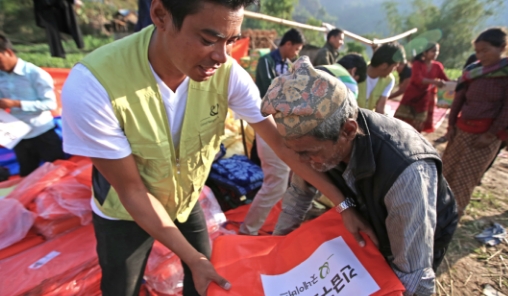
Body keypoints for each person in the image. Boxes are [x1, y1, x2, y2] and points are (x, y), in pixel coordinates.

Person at [61, 1, 375, 295]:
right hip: (124, 210)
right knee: (122, 285)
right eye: (209, 39)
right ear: (160, 15)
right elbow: (132, 191)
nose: (222, 57)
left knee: (207, 276)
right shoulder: (95, 84)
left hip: (184, 200)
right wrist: (193, 258)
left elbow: (282, 144)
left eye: (230, 40)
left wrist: (342, 204)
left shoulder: (227, 75)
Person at [262, 56, 458, 295]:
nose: (302, 163)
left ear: (348, 131)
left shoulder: (405, 171)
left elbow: (414, 274)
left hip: (413, 232)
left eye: (308, 153)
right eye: (296, 153)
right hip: (368, 217)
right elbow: (298, 196)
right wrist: (275, 254)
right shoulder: (318, 144)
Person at [240, 52, 366, 236]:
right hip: (275, 134)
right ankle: (247, 231)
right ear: (354, 72)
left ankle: (248, 231)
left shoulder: (323, 76)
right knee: (278, 182)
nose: (302, 159)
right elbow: (301, 188)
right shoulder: (344, 86)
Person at [239, 28, 305, 235]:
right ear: (288, 44)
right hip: (268, 121)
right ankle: (248, 229)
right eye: (297, 48)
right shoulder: (266, 61)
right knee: (276, 180)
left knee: (279, 179)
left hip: (282, 123)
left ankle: (259, 226)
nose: (296, 53)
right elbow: (270, 91)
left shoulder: (287, 65)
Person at [442, 27, 508, 217]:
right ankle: (437, 207)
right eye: (478, 51)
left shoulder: (505, 75)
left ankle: (453, 214)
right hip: (461, 130)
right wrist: (451, 126)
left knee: (465, 177)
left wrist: (491, 134)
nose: (481, 55)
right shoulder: (472, 71)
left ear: (502, 47)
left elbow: (506, 109)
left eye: (485, 50)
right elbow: (458, 100)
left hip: (486, 136)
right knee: (448, 170)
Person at [0, 34, 64, 177]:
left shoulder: (35, 74)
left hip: (42, 132)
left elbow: (50, 104)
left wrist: (16, 104)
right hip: (18, 134)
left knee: (57, 172)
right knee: (27, 175)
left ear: (8, 52)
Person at [394, 43, 449, 132]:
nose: (435, 53)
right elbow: (418, 79)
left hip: (424, 99)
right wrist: (435, 82)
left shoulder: (437, 66)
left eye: (437, 51)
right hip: (411, 96)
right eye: (433, 51)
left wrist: (457, 82)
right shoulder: (417, 64)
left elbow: (446, 80)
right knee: (400, 123)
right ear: (425, 52)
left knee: (418, 125)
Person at [254, 28, 304, 97]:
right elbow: (269, 87)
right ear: (288, 44)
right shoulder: (266, 61)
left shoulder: (289, 65)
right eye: (296, 49)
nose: (297, 54)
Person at [357, 42, 403, 114]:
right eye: (394, 67)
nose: (394, 70)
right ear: (384, 65)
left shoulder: (389, 80)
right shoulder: (356, 72)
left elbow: (380, 107)